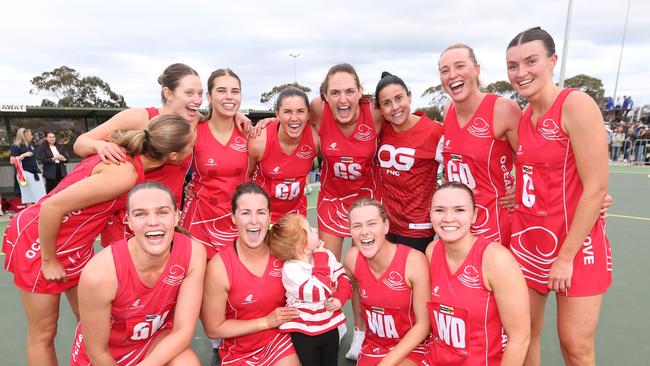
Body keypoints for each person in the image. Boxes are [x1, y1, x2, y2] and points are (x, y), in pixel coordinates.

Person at [2, 114, 194, 366]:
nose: (194, 149)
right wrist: (49, 260)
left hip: (75, 242)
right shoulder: (124, 173)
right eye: (191, 146)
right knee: (44, 332)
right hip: (40, 238)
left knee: (94, 323)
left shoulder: (128, 161)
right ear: (173, 156)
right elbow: (51, 207)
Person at [506, 27, 612, 366]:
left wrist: (565, 257)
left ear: (552, 61)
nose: (521, 72)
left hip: (575, 246)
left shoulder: (576, 105)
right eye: (512, 65)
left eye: (530, 61)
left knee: (575, 346)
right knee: (525, 335)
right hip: (529, 241)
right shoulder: (522, 117)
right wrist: (518, 193)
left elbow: (596, 186)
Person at [70, 182, 206, 365]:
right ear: (129, 221)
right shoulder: (100, 274)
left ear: (176, 217)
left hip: (152, 342)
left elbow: (183, 332)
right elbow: (98, 353)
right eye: (141, 214)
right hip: (107, 356)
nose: (152, 221)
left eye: (162, 212)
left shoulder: (193, 253)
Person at [74, 63, 203, 246]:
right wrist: (100, 146)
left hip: (165, 221)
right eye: (189, 93)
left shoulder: (195, 121)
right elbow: (80, 143)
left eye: (200, 93)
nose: (197, 100)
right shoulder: (140, 117)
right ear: (168, 94)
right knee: (124, 272)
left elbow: (222, 121)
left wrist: (238, 116)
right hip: (128, 222)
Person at [426, 182, 530, 365]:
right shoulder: (432, 251)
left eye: (459, 210)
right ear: (430, 215)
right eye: (440, 210)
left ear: (474, 216)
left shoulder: (495, 259)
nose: (448, 218)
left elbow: (520, 339)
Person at [201, 182, 300, 365]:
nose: (254, 220)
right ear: (233, 218)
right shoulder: (219, 267)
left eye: (261, 212)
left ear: (270, 217)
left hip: (279, 341)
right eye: (245, 213)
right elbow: (213, 329)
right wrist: (266, 322)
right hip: (238, 350)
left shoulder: (283, 251)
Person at [438, 43, 520, 244]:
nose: (452, 75)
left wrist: (519, 187)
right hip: (457, 223)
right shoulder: (448, 109)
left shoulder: (503, 109)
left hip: (495, 223)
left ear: (476, 69)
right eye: (444, 70)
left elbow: (532, 158)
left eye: (460, 66)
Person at [343, 198, 431, 365]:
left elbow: (424, 324)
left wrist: (386, 363)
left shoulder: (413, 261)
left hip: (413, 347)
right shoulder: (352, 259)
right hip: (373, 347)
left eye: (372, 224)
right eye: (357, 226)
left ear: (386, 226)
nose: (364, 232)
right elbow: (338, 286)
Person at [181, 68, 251, 258]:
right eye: (221, 91)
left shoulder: (249, 133)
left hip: (237, 222)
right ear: (209, 96)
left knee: (234, 284)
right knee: (198, 282)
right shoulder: (193, 130)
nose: (229, 97)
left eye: (235, 91)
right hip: (199, 221)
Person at [268, 213, 351, 365]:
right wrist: (321, 261)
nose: (315, 228)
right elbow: (318, 292)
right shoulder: (291, 270)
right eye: (310, 230)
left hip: (329, 325)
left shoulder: (326, 254)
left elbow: (343, 278)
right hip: (304, 331)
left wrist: (340, 297)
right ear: (302, 248)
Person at [375, 72, 443, 253]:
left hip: (418, 227)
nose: (395, 107)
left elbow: (463, 162)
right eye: (386, 103)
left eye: (399, 98)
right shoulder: (382, 130)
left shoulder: (434, 132)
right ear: (380, 110)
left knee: (412, 278)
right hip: (389, 224)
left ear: (409, 96)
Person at [249, 87, 319, 223]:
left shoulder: (315, 140)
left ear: (308, 114)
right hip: (262, 216)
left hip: (296, 219)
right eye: (287, 112)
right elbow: (243, 178)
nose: (294, 118)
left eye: (300, 111)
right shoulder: (259, 141)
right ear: (277, 114)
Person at [11, 128, 47, 204]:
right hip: (25, 174)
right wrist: (23, 155)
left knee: (40, 194)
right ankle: (30, 213)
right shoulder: (16, 146)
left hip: (35, 173)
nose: (32, 137)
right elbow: (12, 161)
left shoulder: (30, 146)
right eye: (30, 135)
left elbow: (34, 159)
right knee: (29, 196)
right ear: (24, 135)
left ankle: (38, 211)